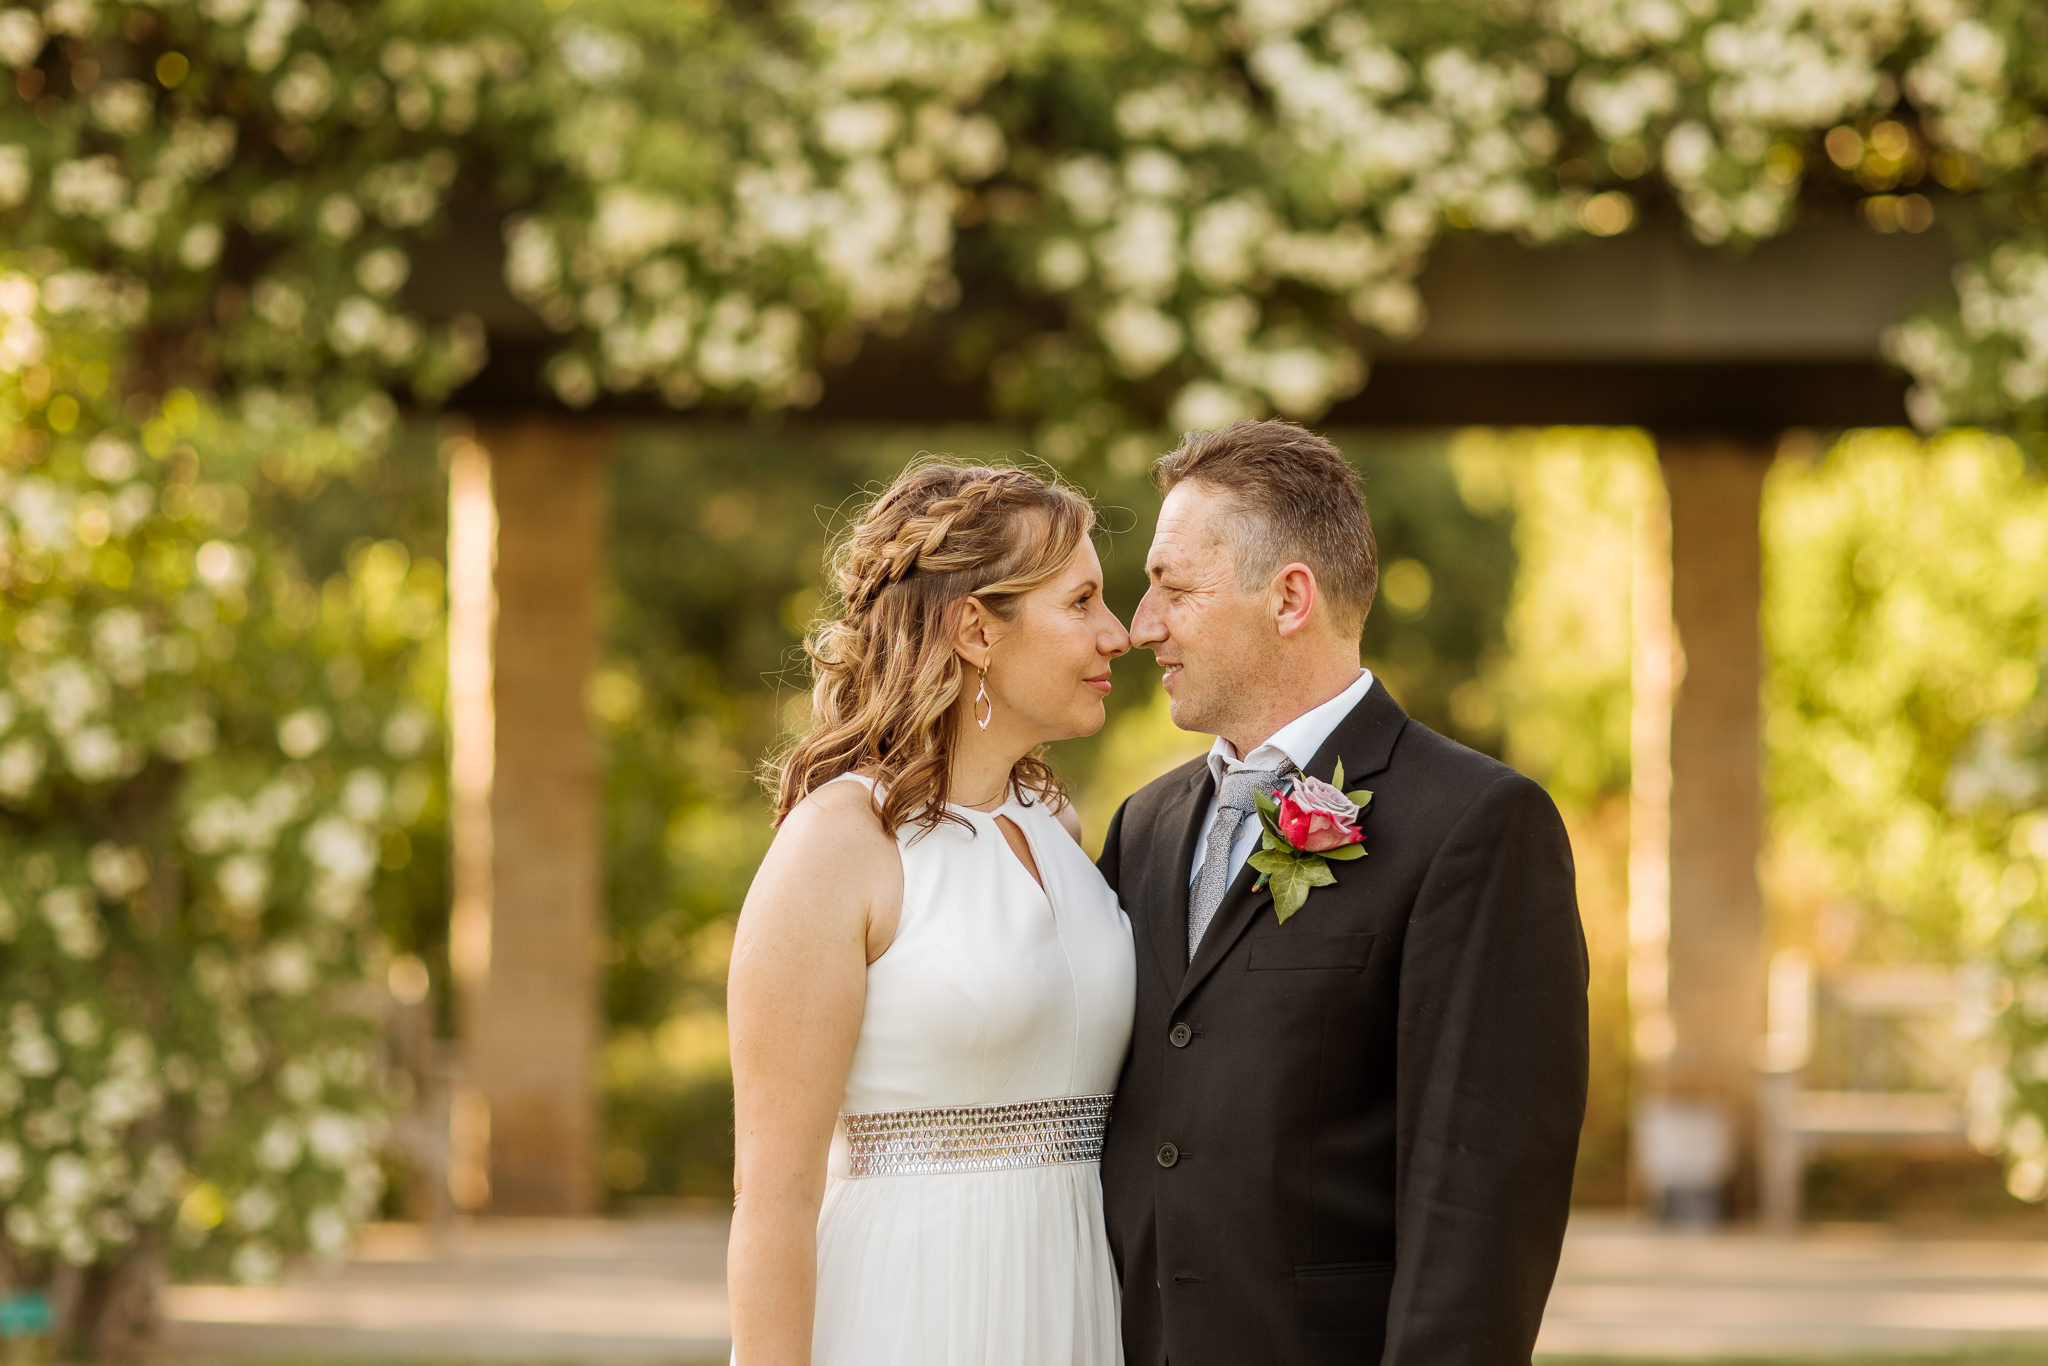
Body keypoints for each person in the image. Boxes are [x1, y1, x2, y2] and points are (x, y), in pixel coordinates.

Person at [1097, 420, 1589, 1366]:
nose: (1139, 625)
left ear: (1289, 599)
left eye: (1173, 586)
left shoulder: (1477, 825)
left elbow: (1480, 1195)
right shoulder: (1145, 828)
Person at [726, 462, 1136, 1366]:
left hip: (1074, 1297)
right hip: (916, 1306)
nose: (1120, 633)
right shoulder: (839, 843)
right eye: (1081, 603)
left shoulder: (1056, 827)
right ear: (976, 629)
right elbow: (774, 1196)